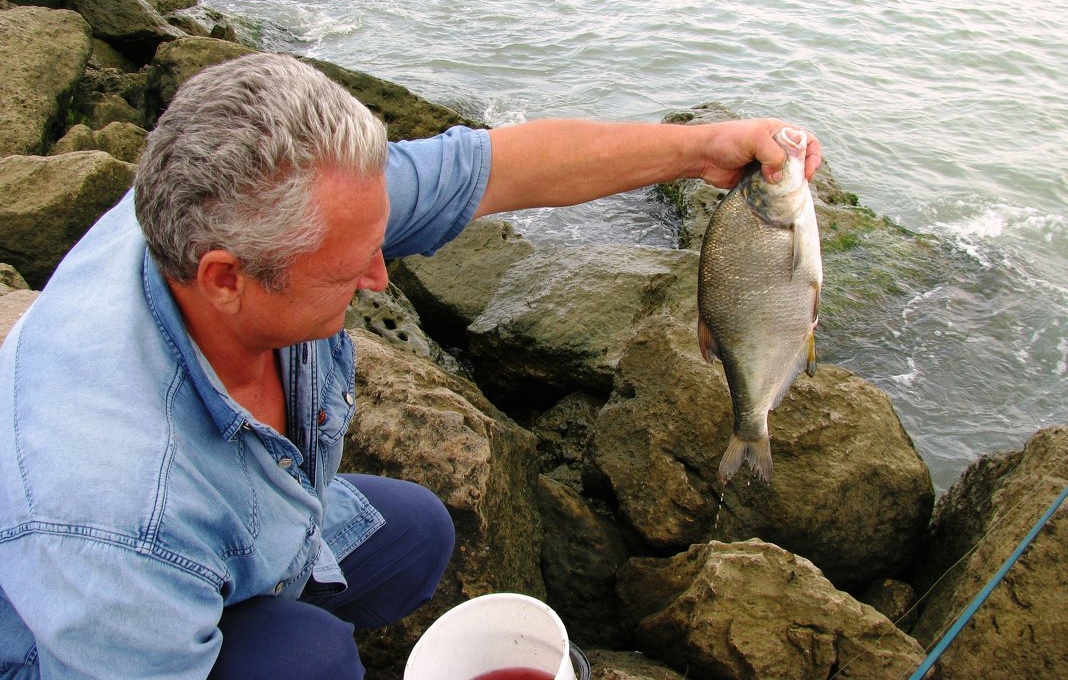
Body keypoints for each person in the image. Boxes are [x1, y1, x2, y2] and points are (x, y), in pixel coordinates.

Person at [0, 53, 821, 679]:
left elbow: (501, 167)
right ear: (225, 277)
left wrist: (704, 147)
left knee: (419, 535)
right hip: (80, 644)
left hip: (238, 530)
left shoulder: (274, 199)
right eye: (350, 268)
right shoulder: (114, 513)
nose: (380, 276)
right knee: (309, 656)